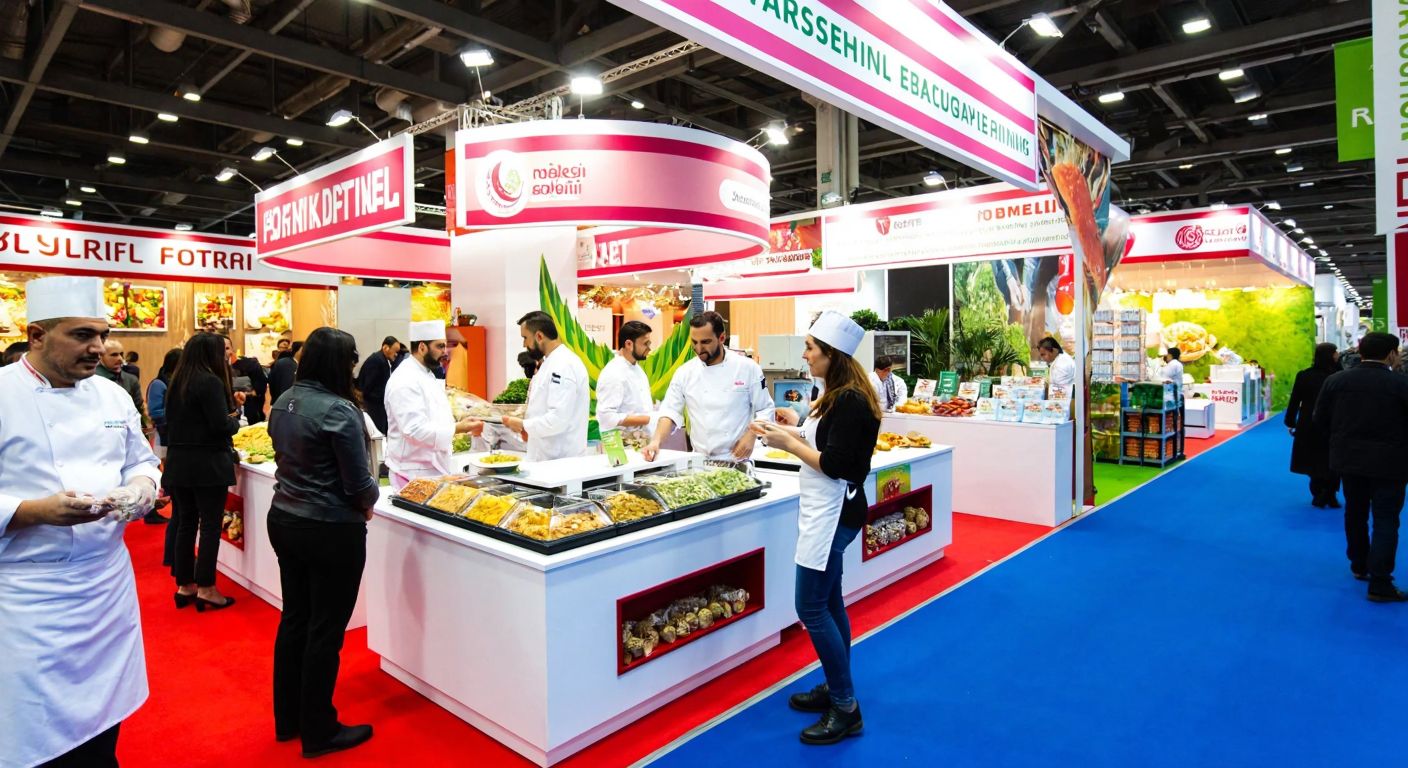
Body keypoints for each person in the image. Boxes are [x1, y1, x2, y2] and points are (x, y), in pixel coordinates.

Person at [0, 276, 161, 767]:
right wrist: (31, 512)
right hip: (28, 595)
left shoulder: (111, 397)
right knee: (31, 729)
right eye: (82, 335)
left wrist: (141, 490)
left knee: (103, 726)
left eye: (103, 334)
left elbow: (140, 459)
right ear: (36, 335)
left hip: (106, 585)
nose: (99, 347)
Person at [753, 311, 881, 745]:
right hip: (825, 511)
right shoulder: (837, 394)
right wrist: (796, 425)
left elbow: (839, 465)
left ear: (832, 355)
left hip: (832, 515)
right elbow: (827, 442)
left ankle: (846, 708)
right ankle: (836, 682)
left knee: (809, 607)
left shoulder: (851, 401)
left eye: (810, 348)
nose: (804, 355)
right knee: (830, 601)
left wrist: (790, 443)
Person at [266, 327, 380, 759]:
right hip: (330, 528)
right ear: (340, 363)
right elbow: (357, 481)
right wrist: (369, 502)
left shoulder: (284, 400)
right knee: (325, 630)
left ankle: (289, 718)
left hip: (285, 518)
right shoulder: (338, 409)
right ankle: (319, 729)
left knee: (295, 618)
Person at [1313, 331, 1408, 602]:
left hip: (1349, 460)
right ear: (1390, 353)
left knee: (1355, 512)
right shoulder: (1400, 384)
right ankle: (1380, 581)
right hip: (1391, 463)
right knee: (1386, 519)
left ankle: (1359, 565)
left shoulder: (1336, 380)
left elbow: (1320, 420)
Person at [164, 333, 243, 611]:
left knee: (186, 523)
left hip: (178, 462)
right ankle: (207, 587)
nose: (226, 355)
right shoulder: (209, 381)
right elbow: (221, 426)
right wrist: (235, 418)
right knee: (209, 527)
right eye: (222, 350)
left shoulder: (178, 381)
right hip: (207, 464)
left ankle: (185, 585)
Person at [644, 311, 774, 461]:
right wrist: (656, 441)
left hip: (736, 458)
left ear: (721, 338)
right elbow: (670, 412)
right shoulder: (685, 372)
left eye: (705, 342)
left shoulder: (748, 368)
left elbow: (765, 408)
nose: (699, 349)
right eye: (694, 342)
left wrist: (752, 434)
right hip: (700, 459)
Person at [384, 322, 482, 489]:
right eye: (440, 346)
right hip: (412, 472)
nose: (444, 352)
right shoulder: (405, 379)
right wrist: (458, 428)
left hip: (432, 468)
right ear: (422, 347)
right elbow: (414, 430)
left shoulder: (425, 373)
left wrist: (460, 420)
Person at [502, 311, 590, 462]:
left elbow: (558, 419)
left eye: (525, 338)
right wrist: (530, 429)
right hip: (547, 459)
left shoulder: (563, 365)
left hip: (560, 462)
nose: (524, 345)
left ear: (539, 336)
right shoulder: (551, 362)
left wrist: (524, 425)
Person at [1286, 343, 1342, 508]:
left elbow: (1295, 400)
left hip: (1308, 423)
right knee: (1332, 459)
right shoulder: (1340, 375)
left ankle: (1319, 492)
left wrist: (1290, 421)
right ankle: (1329, 494)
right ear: (1330, 355)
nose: (1338, 354)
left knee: (1312, 459)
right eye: (1335, 352)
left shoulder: (1304, 375)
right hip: (1334, 423)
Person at [594, 321, 656, 435]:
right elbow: (606, 417)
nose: (649, 348)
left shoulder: (637, 369)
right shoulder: (613, 373)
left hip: (641, 443)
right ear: (628, 344)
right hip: (622, 447)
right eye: (645, 344)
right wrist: (650, 418)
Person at [355, 336, 402, 436]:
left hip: (378, 405)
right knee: (378, 434)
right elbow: (367, 387)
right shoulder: (377, 361)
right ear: (386, 348)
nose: (396, 354)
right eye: (395, 351)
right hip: (374, 406)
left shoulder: (382, 360)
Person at [98, 338, 149, 427]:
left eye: (121, 354)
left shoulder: (131, 379)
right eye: (114, 355)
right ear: (101, 356)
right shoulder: (91, 378)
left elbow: (137, 409)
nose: (120, 359)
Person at [232, 347, 270, 425]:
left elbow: (260, 389)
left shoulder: (250, 365)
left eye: (227, 348)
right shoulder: (216, 367)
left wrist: (245, 394)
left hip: (251, 407)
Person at [269, 340, 303, 404]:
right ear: (297, 351)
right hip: (285, 403)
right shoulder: (287, 364)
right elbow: (286, 387)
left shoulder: (295, 363)